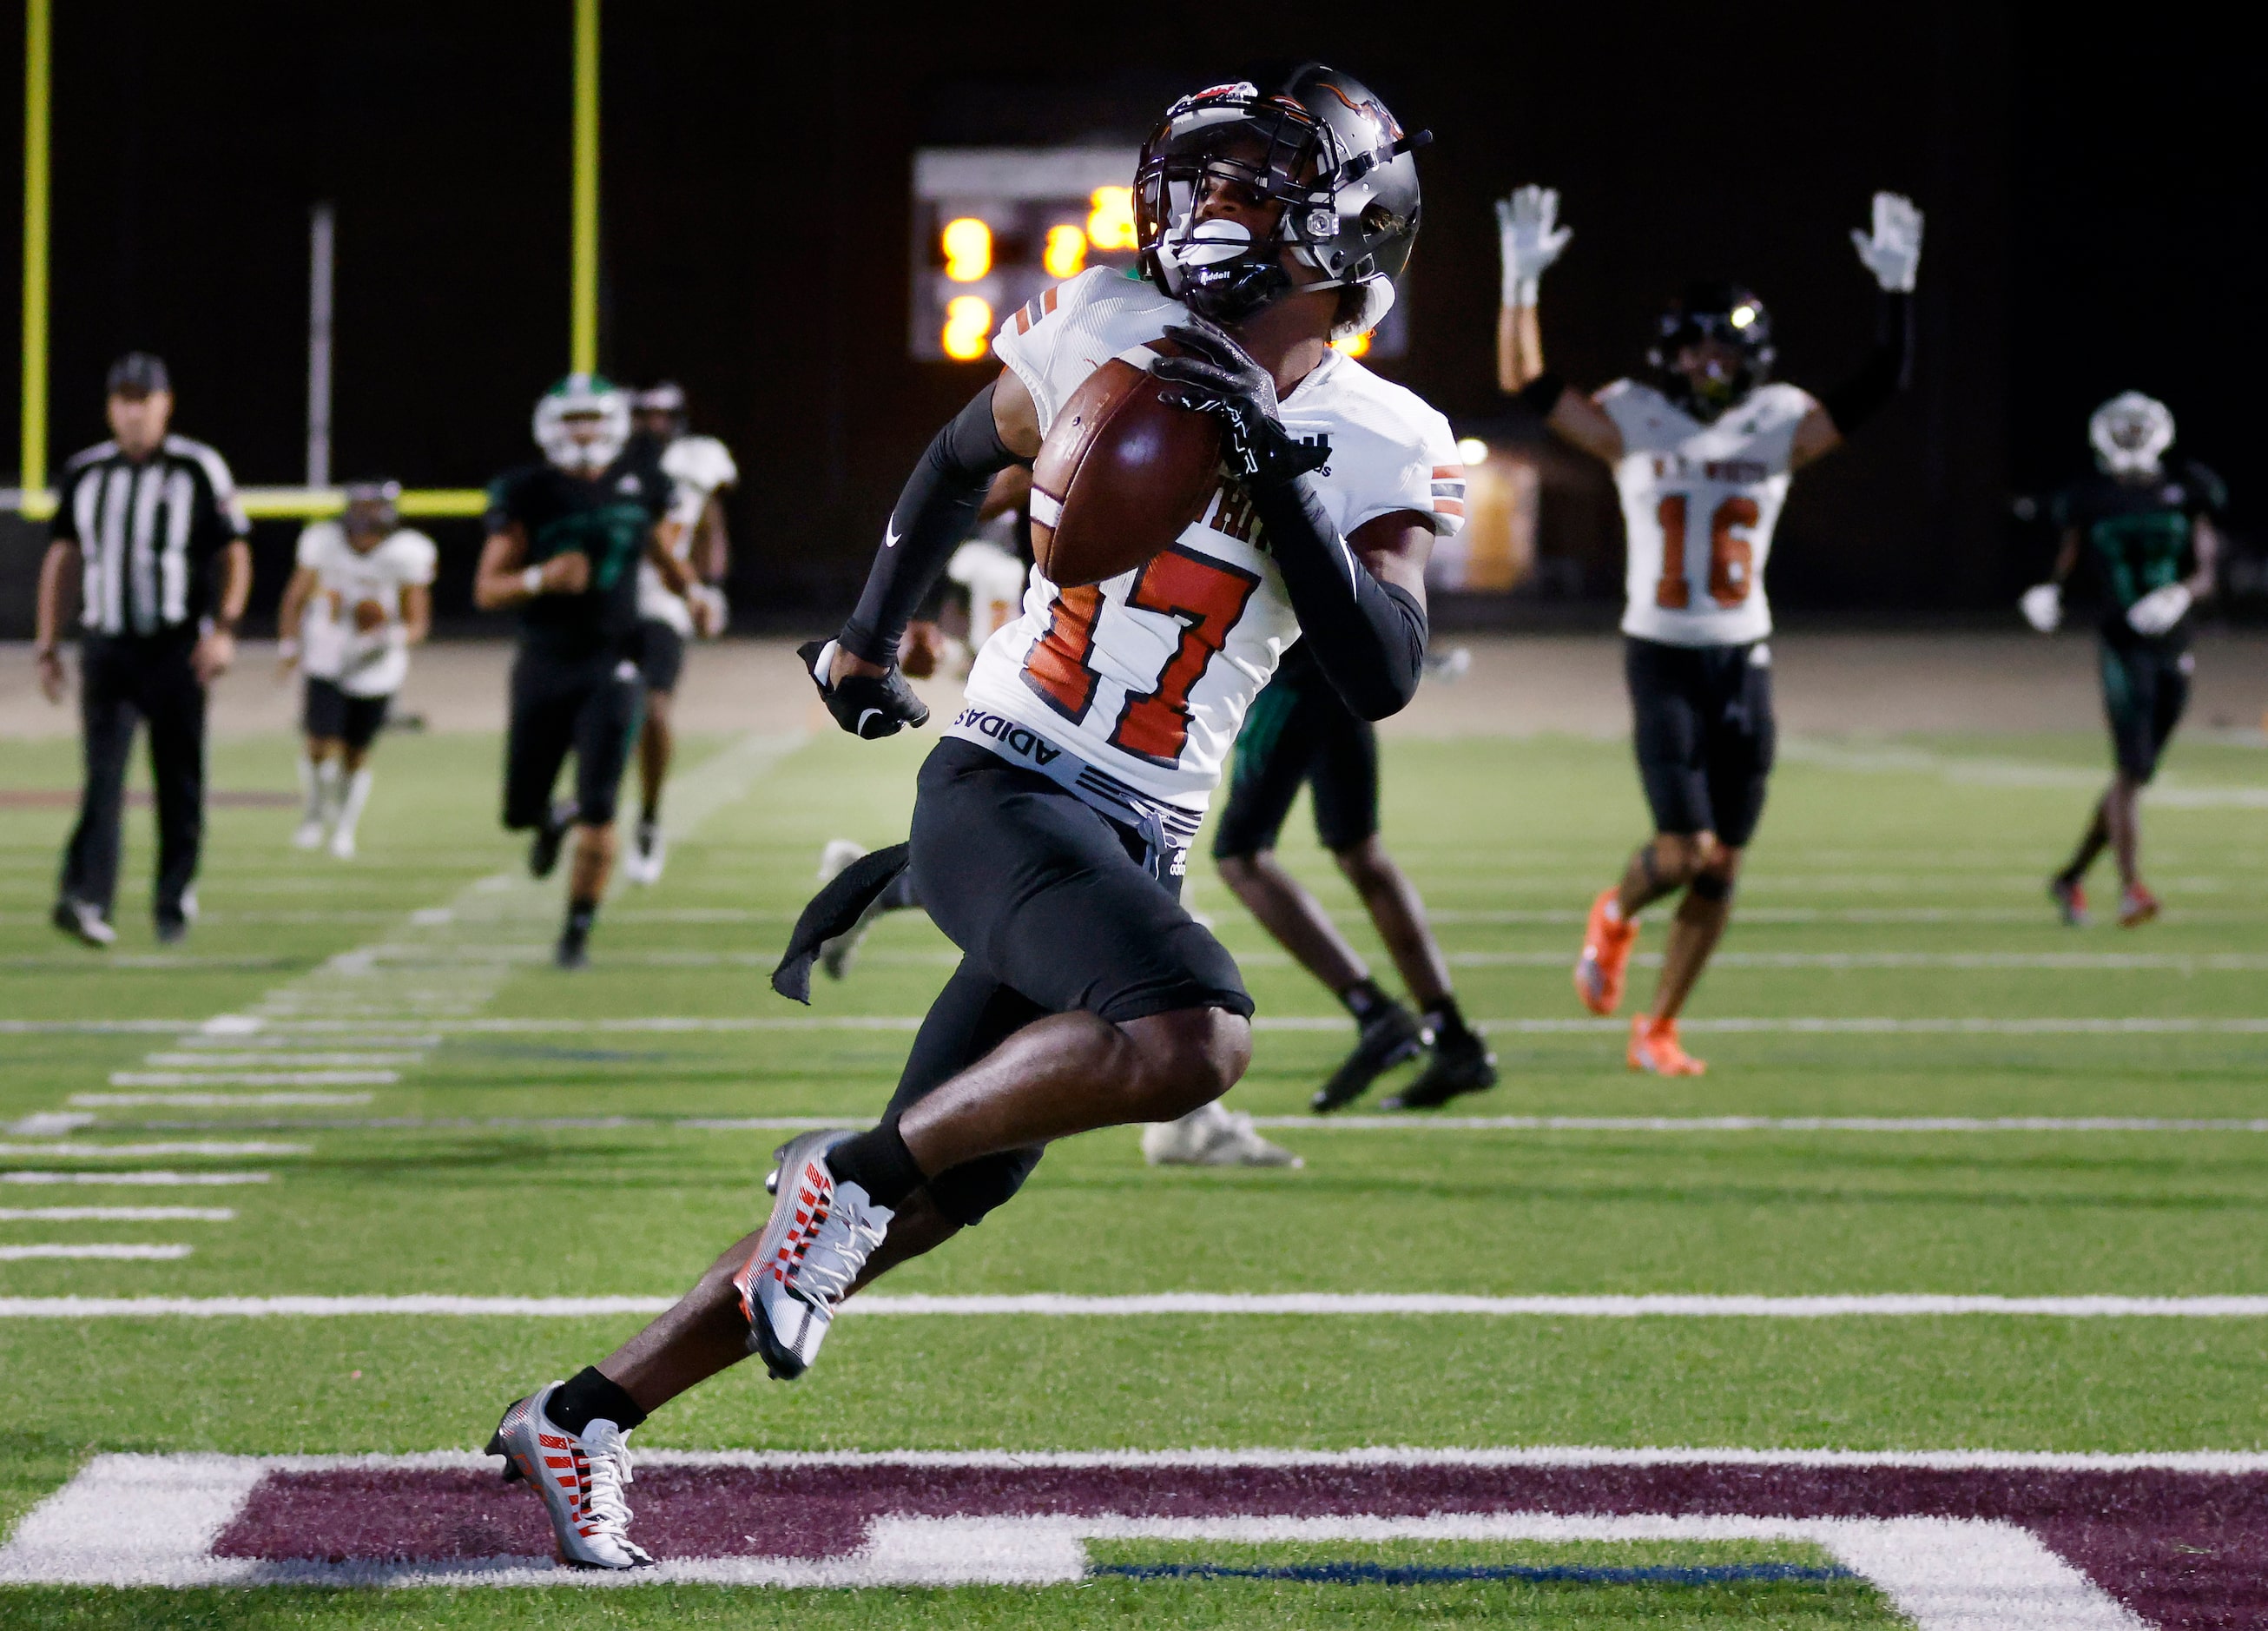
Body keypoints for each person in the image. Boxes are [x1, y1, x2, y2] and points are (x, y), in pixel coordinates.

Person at [486, 68, 1456, 1567]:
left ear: (1351, 231)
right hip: (1002, 778)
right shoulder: (1103, 325)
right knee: (1193, 1032)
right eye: (1203, 184)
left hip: (1131, 831)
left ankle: (582, 1411)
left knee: (943, 1192)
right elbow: (959, 458)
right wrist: (869, 636)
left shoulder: (1384, 431)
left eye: (1255, 192)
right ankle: (843, 1178)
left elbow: (1381, 670)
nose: (1211, 216)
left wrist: (1286, 482)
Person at [1496, 185, 1922, 1076]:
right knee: (1683, 850)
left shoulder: (1777, 424)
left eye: (1720, 346)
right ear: (1667, 354)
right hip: (1659, 652)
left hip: (1744, 654)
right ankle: (1613, 913)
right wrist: (1519, 285)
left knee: (1722, 864)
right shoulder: (1632, 419)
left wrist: (1896, 293)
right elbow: (1529, 387)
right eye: (1691, 346)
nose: (1704, 361)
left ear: (1750, 354)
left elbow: (1879, 384)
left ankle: (1656, 1028)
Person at [1204, 636, 1498, 1116]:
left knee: (1241, 856)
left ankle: (1375, 1012)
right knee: (1360, 851)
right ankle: (1454, 1040)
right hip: (1345, 667)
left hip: (1295, 673)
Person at [471, 374, 702, 968]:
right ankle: (552, 818)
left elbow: (658, 549)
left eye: (592, 419)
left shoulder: (640, 483)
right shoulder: (526, 491)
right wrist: (538, 578)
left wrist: (692, 593)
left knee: (601, 805)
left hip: (613, 661)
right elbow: (486, 587)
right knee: (518, 809)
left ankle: (576, 931)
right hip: (545, 660)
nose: (583, 433)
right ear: (551, 426)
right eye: (572, 421)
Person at [35, 353, 251, 947]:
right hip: (107, 646)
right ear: (110, 407)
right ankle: (85, 899)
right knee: (102, 777)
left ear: (165, 403)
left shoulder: (198, 467)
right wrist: (49, 642)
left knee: (178, 777)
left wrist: (226, 630)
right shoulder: (85, 471)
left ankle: (172, 897)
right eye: (123, 400)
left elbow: (235, 552)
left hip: (176, 646)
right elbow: (62, 558)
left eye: (143, 399)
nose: (133, 412)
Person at [2023, 393, 2223, 928]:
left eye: (2140, 429)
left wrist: (2178, 595)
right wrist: (2049, 591)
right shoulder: (2090, 495)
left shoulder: (2188, 487)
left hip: (2175, 643)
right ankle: (2132, 888)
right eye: (2124, 429)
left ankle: (2069, 878)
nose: (2132, 439)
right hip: (2121, 642)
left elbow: (2206, 570)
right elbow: (2066, 554)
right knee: (2131, 770)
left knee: (2138, 773)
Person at [274, 480, 436, 858]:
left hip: (375, 666)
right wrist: (289, 644)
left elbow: (418, 623)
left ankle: (344, 828)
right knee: (317, 745)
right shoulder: (323, 542)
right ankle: (314, 814)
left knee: (356, 753)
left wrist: (386, 638)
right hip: (327, 656)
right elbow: (296, 597)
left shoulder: (407, 552)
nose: (363, 526)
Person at [621, 383, 734, 885]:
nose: (653, 427)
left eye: (661, 416)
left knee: (655, 708)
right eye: (643, 417)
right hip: (605, 603)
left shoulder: (697, 459)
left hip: (663, 604)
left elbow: (709, 522)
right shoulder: (609, 463)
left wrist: (709, 587)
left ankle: (648, 816)